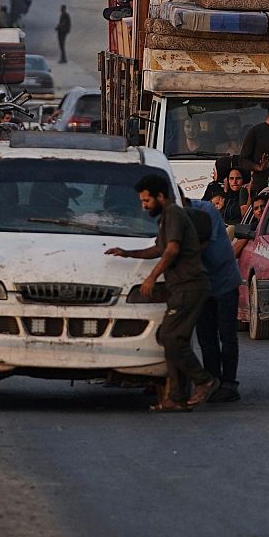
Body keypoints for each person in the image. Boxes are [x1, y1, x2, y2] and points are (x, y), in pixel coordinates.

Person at [105, 175, 216, 411]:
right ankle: (175, 398)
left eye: (146, 200)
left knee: (170, 337)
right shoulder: (166, 218)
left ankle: (204, 380)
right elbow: (159, 248)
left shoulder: (175, 214)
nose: (144, 205)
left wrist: (152, 277)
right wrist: (128, 253)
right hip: (181, 287)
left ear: (160, 196)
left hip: (190, 285)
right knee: (173, 339)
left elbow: (172, 249)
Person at [188, 195, 242, 403]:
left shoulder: (205, 211)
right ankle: (214, 381)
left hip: (223, 280)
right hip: (201, 284)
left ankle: (229, 384)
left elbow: (198, 245)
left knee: (227, 335)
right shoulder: (172, 214)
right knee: (205, 336)